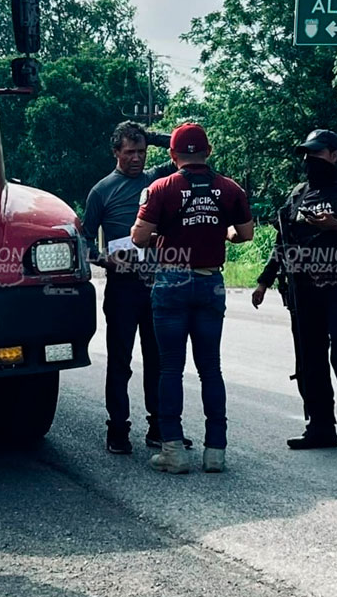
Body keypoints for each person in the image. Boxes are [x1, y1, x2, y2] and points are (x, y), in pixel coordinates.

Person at [251, 129, 337, 456]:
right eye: (307, 154)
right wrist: (264, 280)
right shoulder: (298, 194)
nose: (311, 159)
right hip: (302, 289)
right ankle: (320, 427)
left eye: (318, 153)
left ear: (334, 155)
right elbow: (282, 241)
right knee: (309, 358)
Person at [131, 122, 253, 474]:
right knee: (210, 368)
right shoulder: (230, 188)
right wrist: (222, 232)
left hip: (172, 280)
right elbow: (245, 234)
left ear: (172, 155)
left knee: (170, 367)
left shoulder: (160, 188)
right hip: (210, 280)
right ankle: (216, 451)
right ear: (208, 152)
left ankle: (173, 450)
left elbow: (138, 238)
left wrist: (156, 233)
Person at [82, 121, 193, 454]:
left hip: (157, 283)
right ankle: (118, 429)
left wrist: (151, 136)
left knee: (158, 359)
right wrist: (105, 261)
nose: (136, 158)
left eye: (141, 151)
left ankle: (159, 427)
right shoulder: (101, 191)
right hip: (123, 287)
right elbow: (83, 241)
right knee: (120, 361)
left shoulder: (156, 181)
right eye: (130, 152)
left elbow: (186, 152)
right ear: (116, 152)